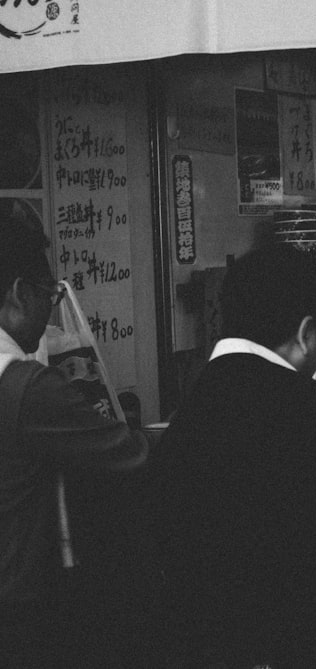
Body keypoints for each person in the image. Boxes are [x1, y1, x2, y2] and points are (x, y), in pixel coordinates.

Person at [149, 244, 316, 667]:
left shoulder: (199, 393)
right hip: (270, 642)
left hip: (192, 639)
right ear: (306, 332)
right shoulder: (301, 405)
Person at [0, 217, 148, 668]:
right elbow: (128, 454)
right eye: (49, 294)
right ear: (19, 293)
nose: (50, 308)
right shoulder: (25, 386)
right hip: (19, 599)